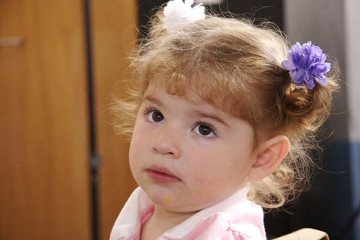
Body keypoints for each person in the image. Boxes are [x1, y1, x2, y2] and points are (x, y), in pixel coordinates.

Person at [110, 0, 339, 239]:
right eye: (156, 115)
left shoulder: (226, 235)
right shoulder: (142, 202)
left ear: (262, 157)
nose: (164, 144)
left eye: (204, 129)